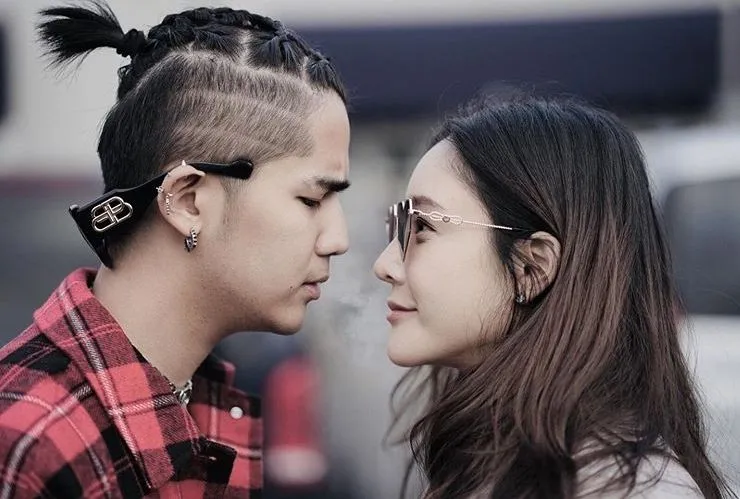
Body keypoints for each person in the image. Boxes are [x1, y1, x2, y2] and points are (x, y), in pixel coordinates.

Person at [0, 2, 350, 497]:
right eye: (311, 199)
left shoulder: (202, 400)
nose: (338, 239)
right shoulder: (29, 442)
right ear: (187, 201)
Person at [373, 94, 734, 498]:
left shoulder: (633, 490)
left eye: (422, 227)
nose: (385, 265)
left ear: (532, 267)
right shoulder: (498, 455)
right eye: (397, 225)